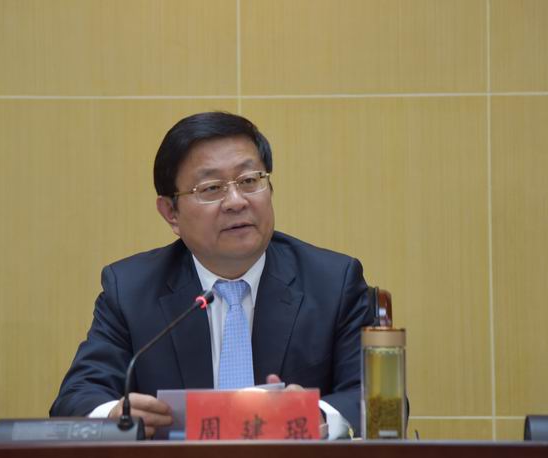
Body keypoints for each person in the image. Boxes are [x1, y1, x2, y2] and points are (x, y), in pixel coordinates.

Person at [50, 112, 374, 439]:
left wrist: (315, 415)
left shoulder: (333, 283)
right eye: (212, 188)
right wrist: (115, 415)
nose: (236, 202)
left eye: (249, 181)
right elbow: (76, 398)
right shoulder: (131, 291)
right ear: (171, 213)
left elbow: (373, 397)